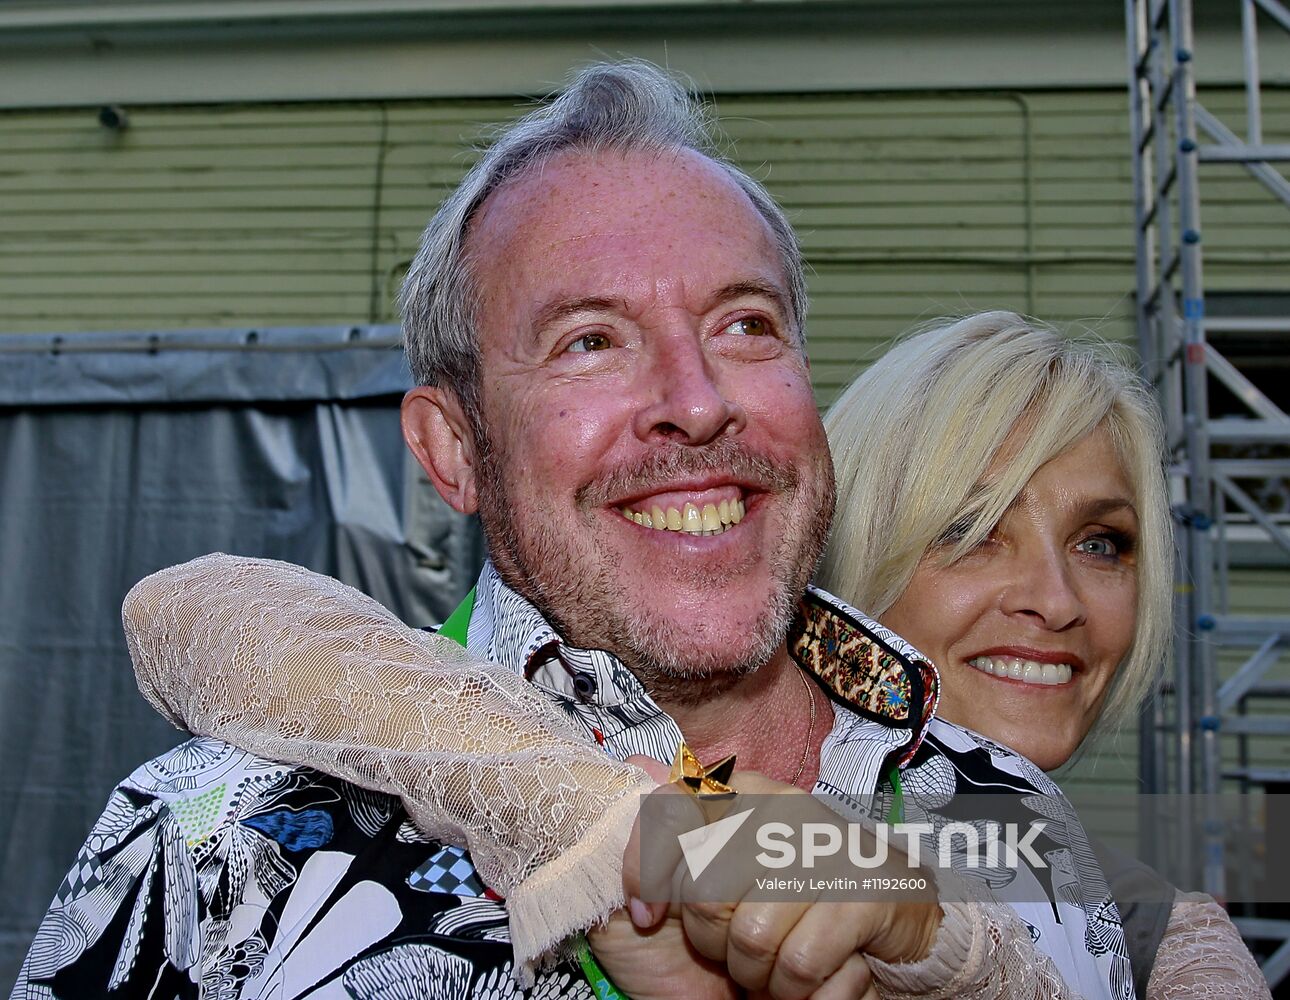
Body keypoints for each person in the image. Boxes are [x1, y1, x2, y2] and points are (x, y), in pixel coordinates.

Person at [13, 65, 1130, 1000]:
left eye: (746, 323)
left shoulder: (1010, 812)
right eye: (591, 341)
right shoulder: (210, 847)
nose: (696, 401)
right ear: (453, 449)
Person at [816, 311, 1269, 999]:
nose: (1057, 602)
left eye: (1099, 543)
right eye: (970, 531)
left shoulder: (1156, 929)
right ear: (852, 549)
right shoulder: (687, 840)